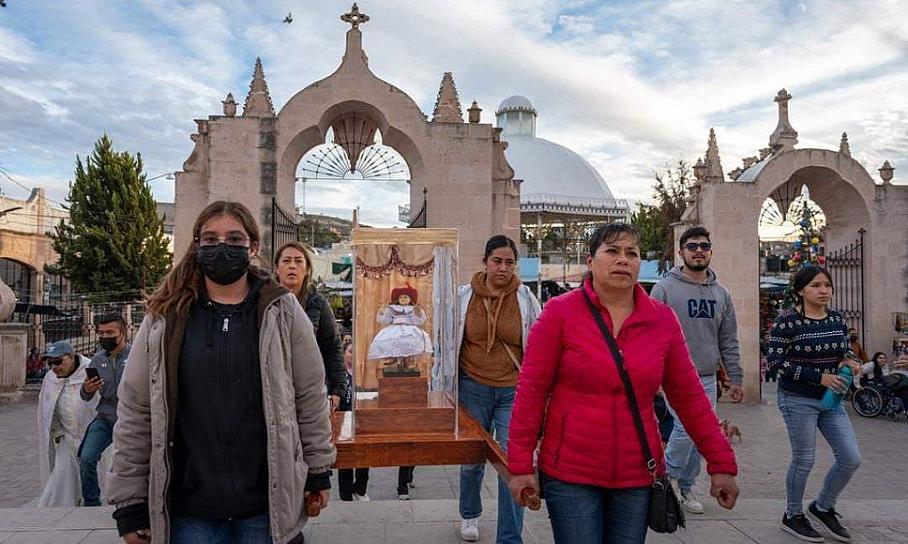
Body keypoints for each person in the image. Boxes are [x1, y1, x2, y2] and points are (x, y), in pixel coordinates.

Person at [107, 201, 336, 544]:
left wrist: (318, 471)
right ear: (197, 245)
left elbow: (309, 394)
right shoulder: (165, 317)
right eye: (210, 239)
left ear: (253, 247)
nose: (221, 247)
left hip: (266, 505)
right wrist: (129, 502)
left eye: (234, 238)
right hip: (190, 510)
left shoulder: (282, 310)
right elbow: (137, 409)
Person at [507, 223, 739, 544]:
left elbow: (690, 399)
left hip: (637, 474)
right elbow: (531, 393)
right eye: (612, 251)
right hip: (570, 473)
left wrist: (721, 463)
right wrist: (519, 465)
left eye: (632, 253)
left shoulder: (662, 320)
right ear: (590, 261)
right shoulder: (559, 314)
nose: (623, 260)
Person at [649, 226, 744, 514]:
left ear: (711, 251)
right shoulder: (664, 288)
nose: (699, 250)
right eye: (692, 246)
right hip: (672, 378)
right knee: (684, 429)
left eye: (704, 245)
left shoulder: (722, 294)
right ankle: (668, 478)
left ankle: (685, 488)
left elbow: (728, 338)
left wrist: (735, 377)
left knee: (697, 434)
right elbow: (651, 335)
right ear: (682, 252)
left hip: (706, 376)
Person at [767, 266, 862, 543]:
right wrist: (819, 377)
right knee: (805, 459)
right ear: (800, 291)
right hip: (797, 399)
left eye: (827, 285)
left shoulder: (836, 319)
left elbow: (844, 349)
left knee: (851, 458)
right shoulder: (787, 322)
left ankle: (823, 506)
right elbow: (775, 364)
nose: (824, 291)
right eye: (816, 286)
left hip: (831, 401)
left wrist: (849, 361)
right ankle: (793, 515)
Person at [456, 235, 541, 543]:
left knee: (513, 464)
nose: (503, 268)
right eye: (497, 261)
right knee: (471, 460)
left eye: (509, 262)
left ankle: (509, 537)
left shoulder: (527, 299)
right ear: (485, 262)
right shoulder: (463, 296)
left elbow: (539, 345)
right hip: (471, 385)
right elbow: (450, 339)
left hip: (513, 391)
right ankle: (469, 514)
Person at [274, 241, 347, 411]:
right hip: (275, 387)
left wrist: (337, 389)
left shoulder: (318, 304)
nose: (292, 266)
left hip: (310, 389)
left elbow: (332, 347)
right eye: (286, 261)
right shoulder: (264, 302)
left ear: (306, 269)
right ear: (277, 269)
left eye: (298, 261)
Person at [78, 313, 131, 507]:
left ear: (123, 332)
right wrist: (87, 389)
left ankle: (132, 501)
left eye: (110, 332)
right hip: (105, 418)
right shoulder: (97, 360)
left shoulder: (137, 356)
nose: (105, 337)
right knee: (86, 458)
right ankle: (91, 503)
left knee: (130, 464)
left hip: (130, 420)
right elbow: (85, 396)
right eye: (101, 333)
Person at [36, 341, 97, 506]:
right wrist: (56, 432)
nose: (54, 367)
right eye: (50, 363)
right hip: (67, 438)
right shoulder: (50, 378)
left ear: (71, 357)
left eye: (58, 362)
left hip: (93, 436)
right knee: (62, 475)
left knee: (94, 473)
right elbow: (48, 407)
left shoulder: (91, 370)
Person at [337, 340, 370, 502]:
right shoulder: (338, 373)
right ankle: (346, 494)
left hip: (361, 419)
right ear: (344, 353)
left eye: (355, 352)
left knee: (364, 456)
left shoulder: (362, 373)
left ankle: (360, 489)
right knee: (345, 458)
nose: (352, 355)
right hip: (343, 419)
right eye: (350, 351)